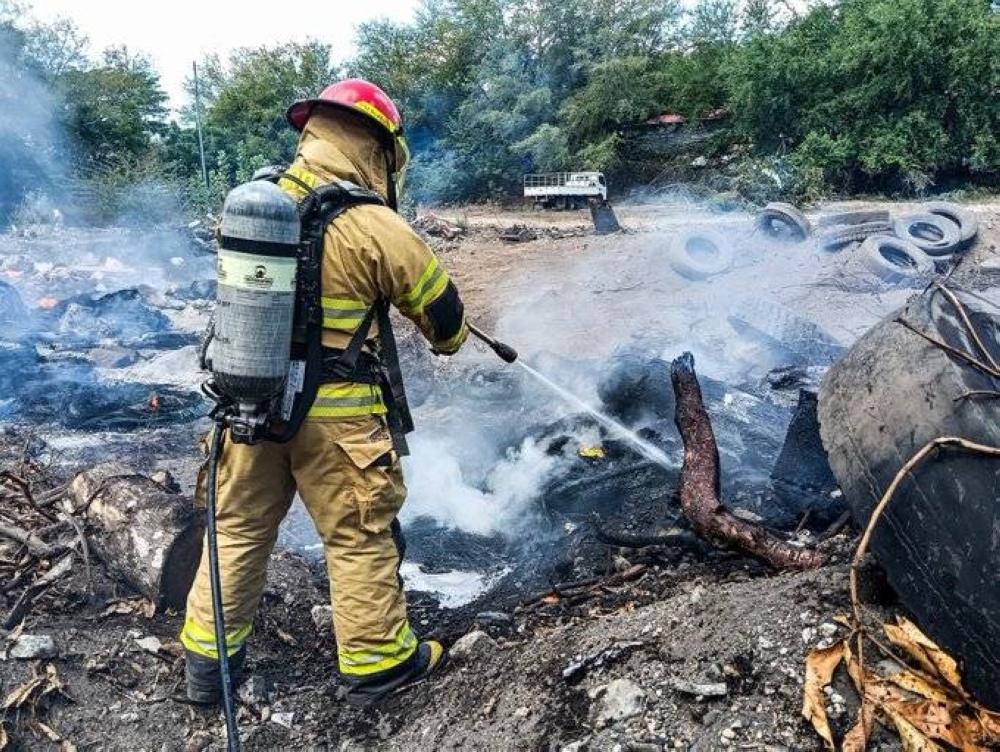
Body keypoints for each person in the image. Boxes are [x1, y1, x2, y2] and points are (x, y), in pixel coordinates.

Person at [181, 79, 468, 707]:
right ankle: (379, 665)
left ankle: (207, 671)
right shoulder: (375, 225)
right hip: (338, 425)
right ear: (374, 146)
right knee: (358, 536)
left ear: (313, 134)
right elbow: (446, 331)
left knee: (233, 530)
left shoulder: (254, 207)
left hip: (249, 409)